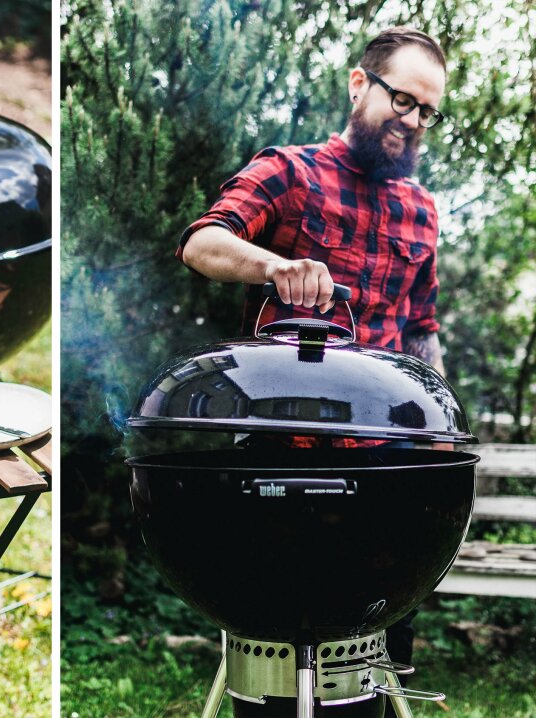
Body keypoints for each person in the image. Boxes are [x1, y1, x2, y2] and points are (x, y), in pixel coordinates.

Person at [177, 26, 448, 717]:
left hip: (389, 470)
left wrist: (441, 433)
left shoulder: (423, 211)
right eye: (403, 100)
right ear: (360, 85)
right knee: (279, 652)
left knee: (381, 661)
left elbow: (422, 331)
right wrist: (276, 266)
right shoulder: (290, 172)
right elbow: (202, 243)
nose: (412, 121)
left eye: (427, 111)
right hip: (282, 465)